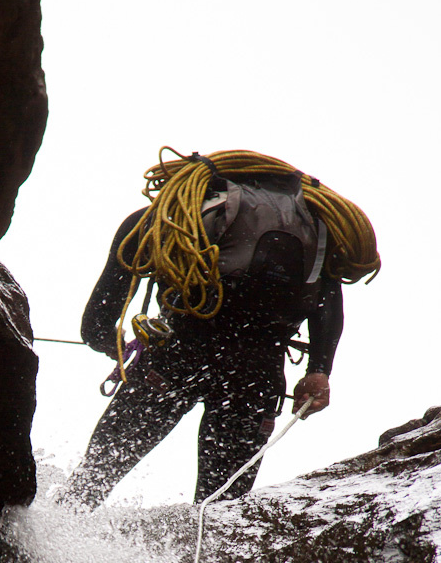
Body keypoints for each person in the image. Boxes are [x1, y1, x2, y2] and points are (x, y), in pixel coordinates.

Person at [57, 149, 379, 508]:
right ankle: (203, 544)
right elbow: (328, 302)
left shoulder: (170, 216)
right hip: (256, 375)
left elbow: (96, 324)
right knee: (220, 508)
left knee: (94, 476)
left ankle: (54, 527)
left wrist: (111, 342)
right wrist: (319, 370)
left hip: (178, 356)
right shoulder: (317, 228)